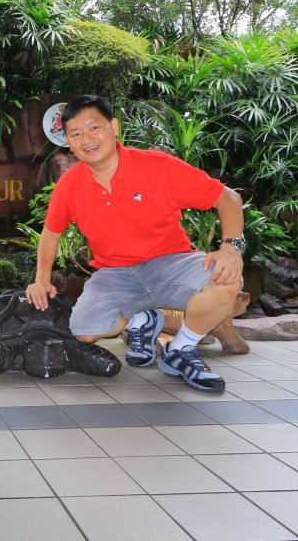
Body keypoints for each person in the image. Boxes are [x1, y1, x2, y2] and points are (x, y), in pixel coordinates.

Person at [26, 95, 245, 393]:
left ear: (114, 127)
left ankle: (181, 349)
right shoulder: (70, 184)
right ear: (68, 141)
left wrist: (231, 248)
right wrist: (41, 279)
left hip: (170, 263)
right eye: (76, 134)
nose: (86, 139)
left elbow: (228, 198)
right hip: (114, 273)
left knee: (227, 279)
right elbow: (51, 233)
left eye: (94, 128)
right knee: (84, 332)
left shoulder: (157, 166)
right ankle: (142, 321)